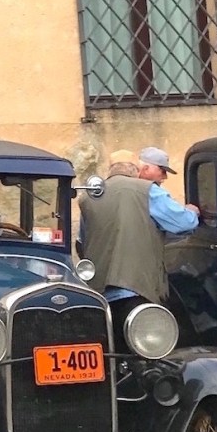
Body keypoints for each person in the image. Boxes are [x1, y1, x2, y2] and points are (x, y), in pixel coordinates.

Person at [79, 145, 201, 349]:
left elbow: (82, 242)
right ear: (137, 170)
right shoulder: (147, 191)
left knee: (111, 351)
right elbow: (183, 223)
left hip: (98, 293)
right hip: (137, 288)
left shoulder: (89, 196)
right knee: (144, 352)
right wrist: (191, 212)